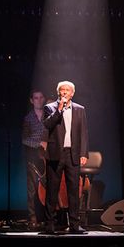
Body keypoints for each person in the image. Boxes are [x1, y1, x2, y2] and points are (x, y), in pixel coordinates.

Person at [42, 80, 89, 234]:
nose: (64, 93)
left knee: (73, 191)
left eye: (67, 90)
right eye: (62, 90)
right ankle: (50, 225)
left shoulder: (79, 109)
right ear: (58, 93)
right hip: (55, 154)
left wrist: (84, 153)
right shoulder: (50, 108)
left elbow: (83, 133)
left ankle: (75, 225)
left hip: (72, 154)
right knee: (52, 191)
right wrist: (59, 109)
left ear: (72, 93)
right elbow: (47, 125)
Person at [22, 90, 47, 229]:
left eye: (40, 97)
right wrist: (39, 143)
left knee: (47, 186)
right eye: (35, 98)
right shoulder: (28, 118)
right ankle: (32, 217)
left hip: (47, 156)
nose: (38, 100)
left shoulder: (48, 116)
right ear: (32, 100)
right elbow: (24, 139)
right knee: (32, 187)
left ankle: (47, 217)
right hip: (33, 156)